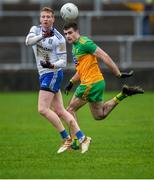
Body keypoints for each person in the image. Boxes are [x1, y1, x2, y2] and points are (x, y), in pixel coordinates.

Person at [25, 7, 91, 154]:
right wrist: (42, 36)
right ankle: (82, 137)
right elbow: (28, 42)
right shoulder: (35, 30)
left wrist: (52, 65)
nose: (45, 19)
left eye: (49, 17)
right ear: (40, 19)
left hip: (52, 73)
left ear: (53, 19)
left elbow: (63, 61)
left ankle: (66, 138)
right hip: (44, 74)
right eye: (43, 17)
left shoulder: (59, 38)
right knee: (60, 111)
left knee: (42, 109)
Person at [63, 22, 144, 125]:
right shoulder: (75, 47)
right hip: (95, 82)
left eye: (70, 33)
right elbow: (81, 69)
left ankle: (79, 139)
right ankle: (123, 94)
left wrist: (117, 73)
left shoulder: (85, 43)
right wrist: (71, 82)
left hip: (90, 83)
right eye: (65, 34)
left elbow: (104, 56)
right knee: (99, 115)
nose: (68, 36)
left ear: (77, 31)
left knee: (69, 110)